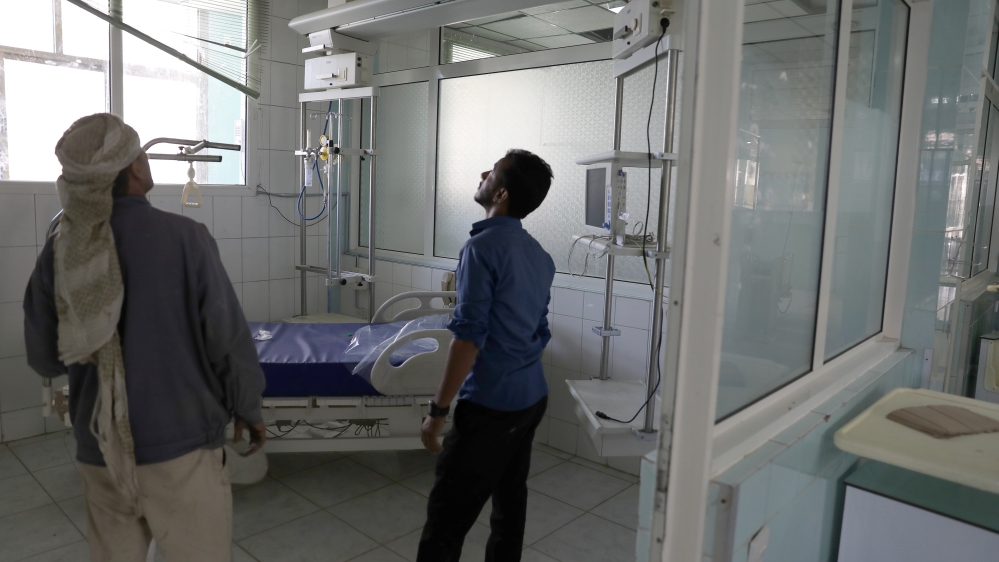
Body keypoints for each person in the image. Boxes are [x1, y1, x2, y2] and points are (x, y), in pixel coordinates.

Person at [22, 113, 266, 562]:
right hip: (182, 451)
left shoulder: (61, 249)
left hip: (100, 451)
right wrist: (248, 408)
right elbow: (227, 341)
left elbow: (45, 358)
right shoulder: (186, 239)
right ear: (135, 166)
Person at [418, 149, 556, 562]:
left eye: (492, 172)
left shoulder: (481, 249)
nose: (483, 174)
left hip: (492, 406)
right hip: (532, 398)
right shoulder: (539, 256)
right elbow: (540, 329)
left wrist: (438, 410)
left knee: (446, 518)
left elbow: (467, 339)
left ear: (501, 194)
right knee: (509, 508)